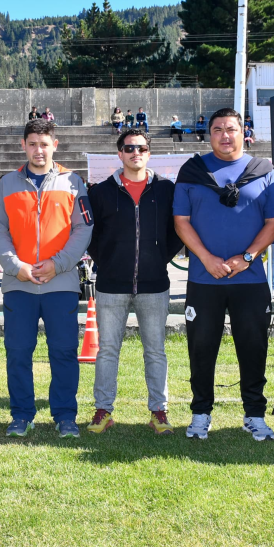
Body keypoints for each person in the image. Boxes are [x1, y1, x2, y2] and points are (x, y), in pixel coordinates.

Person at [174, 107, 274, 441]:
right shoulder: (192, 170)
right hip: (204, 278)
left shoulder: (264, 171)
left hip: (249, 280)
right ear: (210, 134)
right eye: (218, 129)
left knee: (253, 348)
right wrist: (206, 258)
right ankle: (200, 414)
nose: (225, 135)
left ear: (243, 132)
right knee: (201, 347)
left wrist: (247, 257)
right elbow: (181, 222)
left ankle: (254, 415)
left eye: (231, 129)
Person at [0, 117, 93, 438]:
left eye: (44, 144)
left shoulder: (74, 183)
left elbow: (83, 229)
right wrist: (16, 266)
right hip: (19, 283)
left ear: (55, 146)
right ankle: (21, 414)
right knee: (18, 352)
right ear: (23, 145)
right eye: (32, 144)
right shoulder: (7, 184)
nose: (38, 150)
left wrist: (58, 264)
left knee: (63, 351)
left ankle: (65, 416)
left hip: (59, 283)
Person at [86, 130, 184, 435]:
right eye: (129, 148)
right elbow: (92, 237)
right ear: (119, 153)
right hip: (111, 284)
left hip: (154, 284)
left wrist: (158, 259)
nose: (135, 152)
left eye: (141, 148)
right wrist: (109, 261)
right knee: (107, 351)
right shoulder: (100, 192)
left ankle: (159, 411)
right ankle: (103, 411)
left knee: (155, 350)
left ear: (149, 153)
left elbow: (175, 233)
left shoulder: (167, 190)